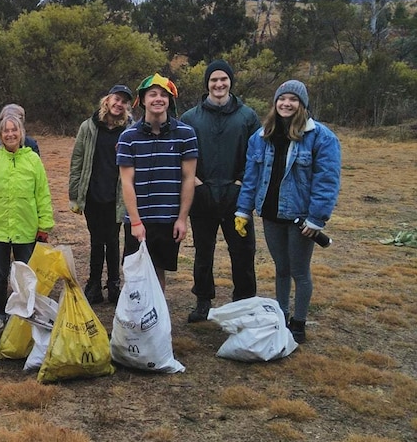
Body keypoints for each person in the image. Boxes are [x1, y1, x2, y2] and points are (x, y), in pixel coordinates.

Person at [235, 80, 341, 344]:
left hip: (301, 219)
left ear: (302, 104)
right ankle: (281, 317)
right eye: (282, 99)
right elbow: (251, 178)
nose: (286, 103)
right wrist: (242, 210)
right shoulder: (260, 137)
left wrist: (317, 218)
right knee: (281, 268)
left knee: (300, 271)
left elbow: (326, 180)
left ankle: (299, 322)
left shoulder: (321, 137)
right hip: (271, 215)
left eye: (293, 99)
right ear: (275, 103)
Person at [181, 60, 261, 323]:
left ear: (230, 82)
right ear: (207, 84)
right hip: (202, 198)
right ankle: (203, 300)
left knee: (243, 251)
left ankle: (245, 301)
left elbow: (257, 156)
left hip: (237, 198)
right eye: (213, 80)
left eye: (223, 79)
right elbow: (182, 155)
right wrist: (195, 182)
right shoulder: (190, 118)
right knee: (204, 252)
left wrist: (242, 184)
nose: (219, 84)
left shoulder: (247, 117)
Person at [117, 74, 198, 293]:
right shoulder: (128, 137)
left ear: (170, 101)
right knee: (135, 271)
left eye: (163, 95)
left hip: (168, 218)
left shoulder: (186, 134)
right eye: (152, 94)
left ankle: (156, 322)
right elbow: (127, 182)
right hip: (139, 218)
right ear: (142, 100)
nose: (158, 99)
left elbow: (188, 178)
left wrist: (182, 218)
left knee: (158, 270)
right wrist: (135, 222)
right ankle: (134, 321)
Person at [0, 113, 54, 327]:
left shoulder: (33, 159)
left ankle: (23, 314)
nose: (10, 134)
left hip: (26, 228)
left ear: (21, 133)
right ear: (0, 135)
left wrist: (44, 224)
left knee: (25, 275)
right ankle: (0, 312)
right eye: (6, 131)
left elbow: (42, 193)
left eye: (14, 130)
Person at [69, 84, 133, 304]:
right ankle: (94, 284)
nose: (119, 104)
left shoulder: (129, 130)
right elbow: (77, 160)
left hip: (117, 195)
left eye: (124, 101)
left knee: (113, 240)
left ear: (127, 106)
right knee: (96, 240)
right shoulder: (89, 127)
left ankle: (114, 284)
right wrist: (75, 195)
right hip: (93, 194)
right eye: (116, 99)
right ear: (107, 100)